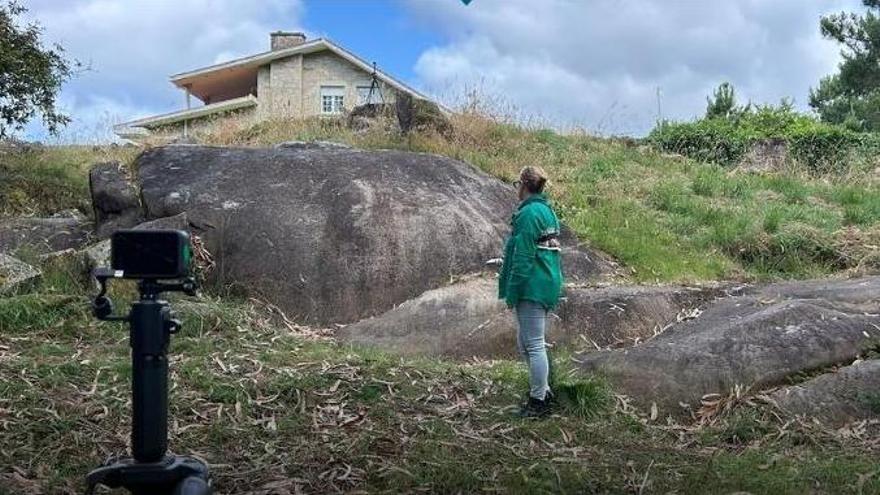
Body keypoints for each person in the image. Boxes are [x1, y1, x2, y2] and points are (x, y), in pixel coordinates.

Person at [497, 166, 563, 418]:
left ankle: (539, 401)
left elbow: (523, 257)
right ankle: (541, 390)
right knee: (526, 343)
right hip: (545, 281)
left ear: (523, 185)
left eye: (517, 184)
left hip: (533, 285)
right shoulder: (546, 211)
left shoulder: (528, 214)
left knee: (533, 345)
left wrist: (512, 291)